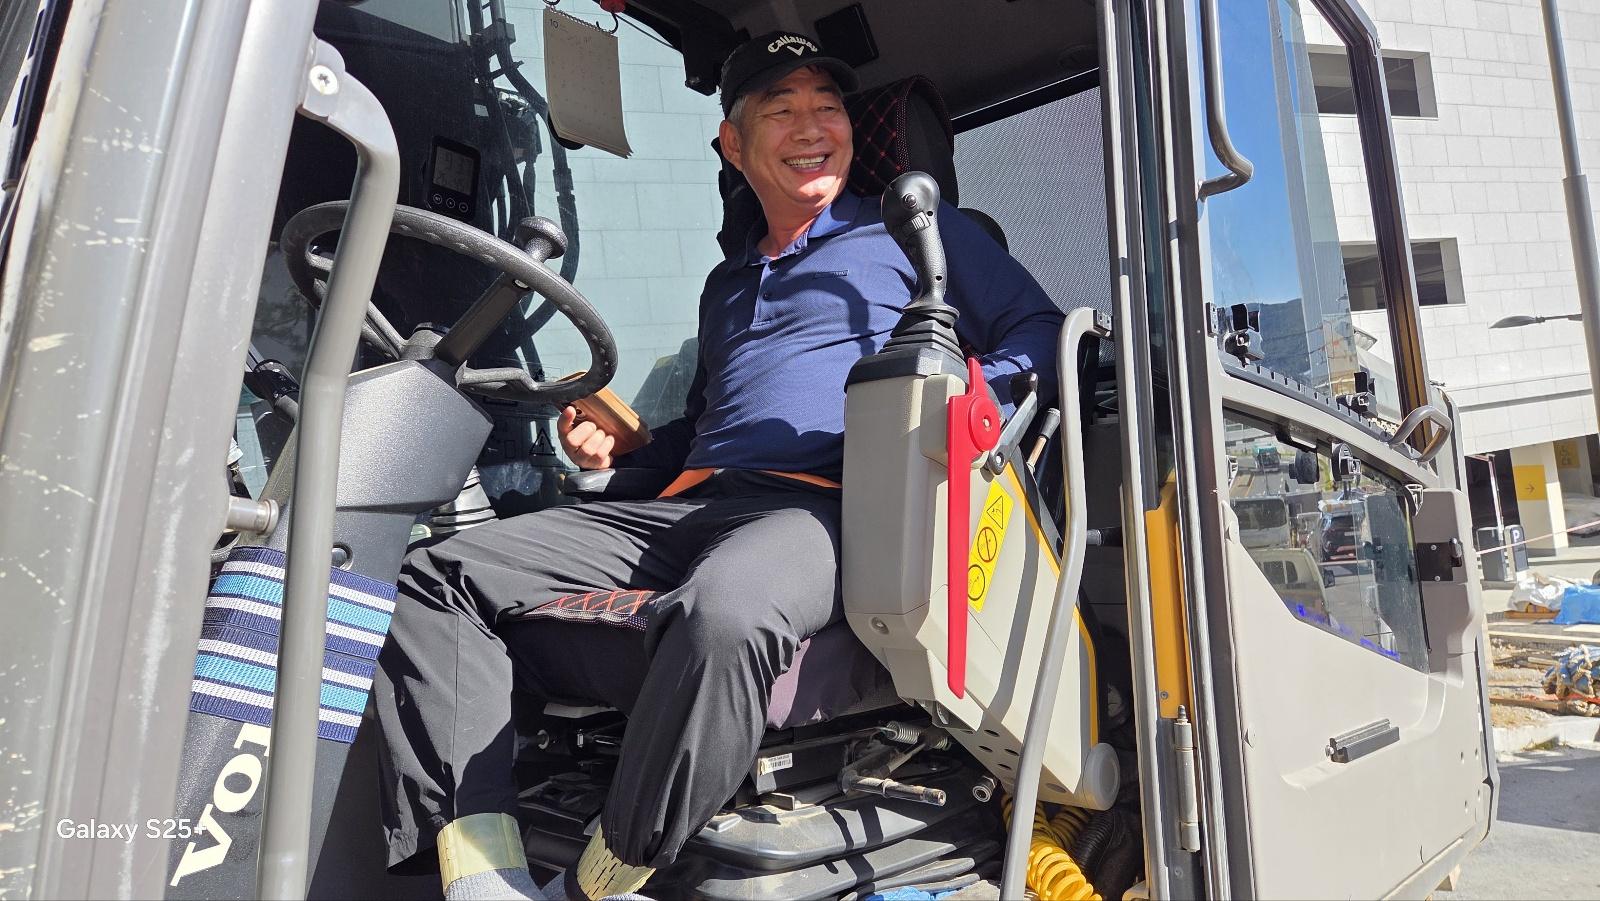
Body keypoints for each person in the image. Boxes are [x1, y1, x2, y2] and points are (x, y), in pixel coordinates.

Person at [372, 31, 1065, 901]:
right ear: (733, 145)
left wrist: (951, 403)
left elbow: (1042, 333)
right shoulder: (726, 286)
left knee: (727, 609)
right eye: (783, 110)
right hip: (693, 508)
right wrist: (626, 455)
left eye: (828, 108)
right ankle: (483, 875)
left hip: (833, 506)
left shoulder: (916, 232)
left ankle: (604, 876)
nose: (812, 128)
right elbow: (703, 429)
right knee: (436, 574)